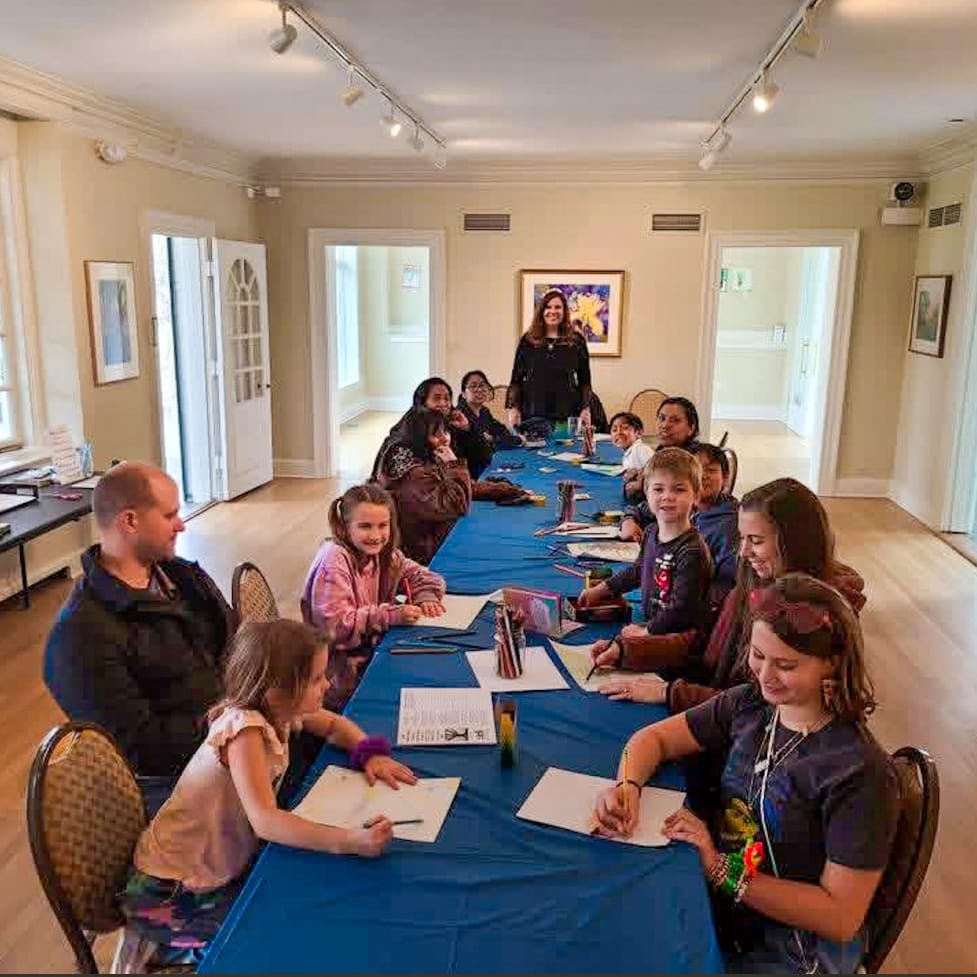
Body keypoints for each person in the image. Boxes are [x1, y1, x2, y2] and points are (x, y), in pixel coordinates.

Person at [592, 574, 898, 973]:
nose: (765, 675)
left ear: (833, 663)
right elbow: (654, 740)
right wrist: (628, 785)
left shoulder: (860, 773)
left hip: (793, 950)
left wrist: (719, 867)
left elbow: (839, 918)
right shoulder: (751, 705)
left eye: (786, 665)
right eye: (757, 655)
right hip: (730, 906)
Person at [121, 619, 417, 955]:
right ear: (276, 690)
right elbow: (266, 821)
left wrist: (370, 754)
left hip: (221, 864)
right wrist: (350, 841)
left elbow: (334, 725)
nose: (328, 684)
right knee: (270, 941)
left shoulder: (278, 709)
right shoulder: (245, 731)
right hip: (168, 891)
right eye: (316, 679)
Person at [43, 462, 234, 810]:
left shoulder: (183, 578)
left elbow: (235, 644)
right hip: (178, 785)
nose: (181, 524)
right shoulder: (79, 637)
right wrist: (232, 720)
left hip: (230, 739)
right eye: (169, 515)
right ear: (130, 521)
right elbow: (144, 751)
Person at [599, 477, 865, 712]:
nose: (743, 552)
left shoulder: (807, 619)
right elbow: (702, 642)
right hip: (710, 705)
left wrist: (667, 692)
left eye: (757, 541)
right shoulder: (750, 588)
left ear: (796, 542)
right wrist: (626, 651)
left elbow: (759, 710)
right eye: (742, 539)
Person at [302, 484, 447, 708]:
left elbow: (423, 575)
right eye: (365, 527)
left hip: (369, 654)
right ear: (344, 526)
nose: (376, 535)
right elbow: (335, 627)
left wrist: (425, 595)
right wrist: (390, 615)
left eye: (383, 526)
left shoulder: (383, 555)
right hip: (338, 679)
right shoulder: (334, 560)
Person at [578, 448, 713, 676]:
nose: (667, 496)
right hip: (654, 627)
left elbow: (680, 610)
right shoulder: (651, 532)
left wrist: (646, 632)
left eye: (679, 489)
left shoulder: (692, 550)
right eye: (658, 489)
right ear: (646, 493)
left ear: (696, 495)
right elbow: (639, 571)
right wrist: (603, 588)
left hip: (680, 644)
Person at [375, 407, 472, 564]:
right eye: (436, 434)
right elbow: (457, 505)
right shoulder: (415, 473)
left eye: (445, 431)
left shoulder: (422, 457)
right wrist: (455, 465)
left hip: (437, 543)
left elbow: (458, 487)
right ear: (417, 437)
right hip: (429, 558)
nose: (445, 439)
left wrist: (504, 490)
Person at [371, 377, 490, 481]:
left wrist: (468, 428)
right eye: (437, 398)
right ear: (422, 403)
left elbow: (484, 458)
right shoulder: (406, 438)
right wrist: (453, 466)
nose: (443, 403)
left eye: (447, 398)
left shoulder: (451, 424)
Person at [506, 289, 592, 431]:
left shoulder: (577, 341)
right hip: (533, 412)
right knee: (534, 451)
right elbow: (516, 379)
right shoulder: (528, 340)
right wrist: (513, 408)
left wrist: (586, 409)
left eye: (558, 307)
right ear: (541, 311)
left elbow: (585, 380)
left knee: (565, 451)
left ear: (565, 311)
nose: (553, 311)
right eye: (548, 307)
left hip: (567, 412)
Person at [620, 396, 702, 541]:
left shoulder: (693, 462)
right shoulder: (662, 452)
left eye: (675, 420)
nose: (665, 425)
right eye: (662, 418)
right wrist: (628, 519)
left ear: (691, 428)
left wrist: (640, 486)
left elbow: (661, 508)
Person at [691, 444, 739, 596]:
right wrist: (629, 519)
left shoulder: (730, 525)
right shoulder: (686, 504)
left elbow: (726, 583)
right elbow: (644, 509)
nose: (702, 476)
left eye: (711, 470)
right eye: (695, 470)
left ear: (725, 479)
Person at [456, 370, 523, 453]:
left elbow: (502, 430)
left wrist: (492, 438)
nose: (479, 390)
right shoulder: (459, 416)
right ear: (463, 393)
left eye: (482, 385)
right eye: (473, 386)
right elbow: (481, 442)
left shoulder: (484, 411)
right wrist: (493, 439)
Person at [609, 411, 655, 500]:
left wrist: (639, 482)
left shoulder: (640, 449)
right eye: (614, 430)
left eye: (625, 428)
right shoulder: (631, 450)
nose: (619, 433)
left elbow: (655, 469)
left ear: (639, 433)